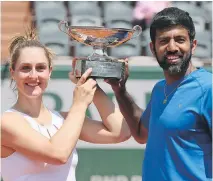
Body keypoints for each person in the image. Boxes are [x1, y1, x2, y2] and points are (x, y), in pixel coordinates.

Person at [1, 29, 131, 181]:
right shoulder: (6, 123)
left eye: (40, 68)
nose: (33, 75)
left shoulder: (62, 120)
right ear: (12, 72)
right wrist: (80, 104)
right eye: (25, 68)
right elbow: (58, 154)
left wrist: (90, 82)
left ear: (50, 72)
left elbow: (120, 132)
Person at [106, 7, 212, 181]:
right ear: (153, 48)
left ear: (193, 45)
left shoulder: (208, 88)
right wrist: (120, 90)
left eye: (180, 40)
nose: (172, 47)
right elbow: (141, 133)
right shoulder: (159, 88)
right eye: (163, 41)